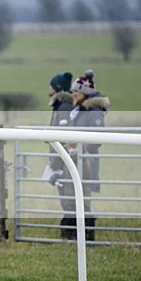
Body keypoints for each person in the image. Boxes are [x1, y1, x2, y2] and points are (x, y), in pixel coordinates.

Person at [50, 70, 110, 241]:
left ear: (85, 92)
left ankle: (86, 236)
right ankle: (74, 235)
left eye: (77, 91)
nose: (73, 93)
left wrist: (78, 146)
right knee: (72, 198)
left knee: (83, 200)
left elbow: (96, 139)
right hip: (75, 159)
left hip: (85, 161)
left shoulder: (94, 111)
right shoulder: (78, 110)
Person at [45, 72, 75, 239]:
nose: (48, 88)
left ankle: (70, 234)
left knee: (68, 199)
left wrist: (55, 164)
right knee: (67, 198)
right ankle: (69, 233)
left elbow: (61, 139)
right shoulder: (63, 106)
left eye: (51, 85)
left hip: (63, 162)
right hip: (62, 161)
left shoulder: (63, 108)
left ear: (56, 88)